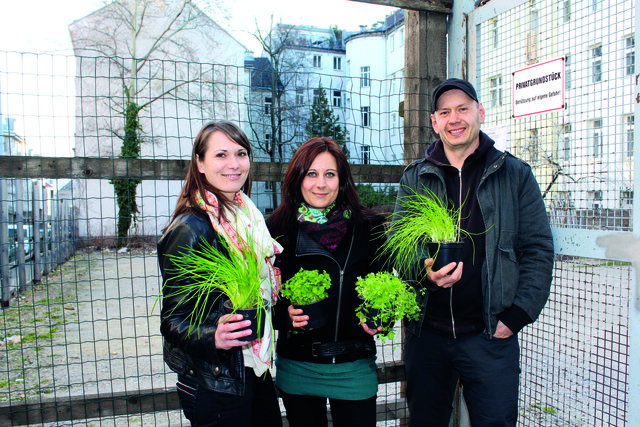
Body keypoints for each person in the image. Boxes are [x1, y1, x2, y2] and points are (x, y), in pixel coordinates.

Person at [396, 78, 554, 427]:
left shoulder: (514, 174)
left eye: (463, 109)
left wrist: (515, 318)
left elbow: (538, 250)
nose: (455, 118)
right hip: (427, 335)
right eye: (445, 112)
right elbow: (399, 247)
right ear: (435, 122)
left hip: (489, 336)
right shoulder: (416, 178)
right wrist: (424, 271)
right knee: (426, 421)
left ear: (480, 112)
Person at [157, 121, 283, 427]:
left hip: (255, 368)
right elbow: (172, 321)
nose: (234, 164)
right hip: (216, 381)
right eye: (221, 155)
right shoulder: (190, 228)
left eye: (241, 154)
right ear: (200, 163)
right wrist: (214, 336)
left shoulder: (247, 215)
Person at [266, 137, 387, 427]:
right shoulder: (275, 230)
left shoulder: (369, 228)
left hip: (354, 367)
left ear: (342, 180)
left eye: (329, 174)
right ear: (298, 179)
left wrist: (385, 316)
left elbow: (386, 286)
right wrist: (285, 314)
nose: (320, 184)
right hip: (299, 368)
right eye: (312, 174)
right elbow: (259, 301)